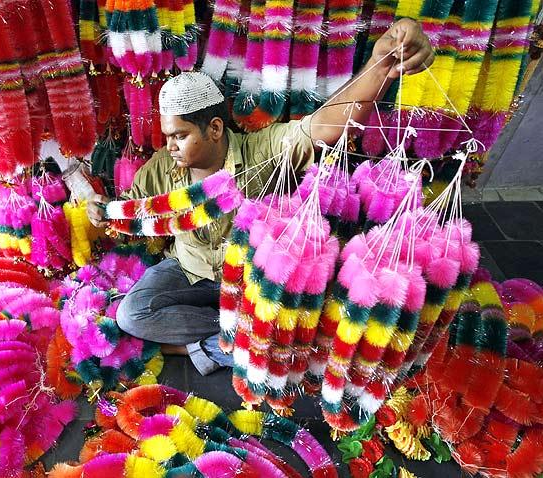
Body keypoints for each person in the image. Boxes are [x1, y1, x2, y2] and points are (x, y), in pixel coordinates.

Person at [66, 18, 434, 375]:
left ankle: (208, 345)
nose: (170, 146)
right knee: (133, 314)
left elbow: (322, 127)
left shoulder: (263, 151)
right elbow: (130, 208)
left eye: (179, 135)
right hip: (190, 272)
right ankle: (237, 337)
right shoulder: (161, 168)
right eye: (166, 136)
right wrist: (100, 210)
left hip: (249, 280)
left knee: (296, 327)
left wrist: (379, 63)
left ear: (213, 128)